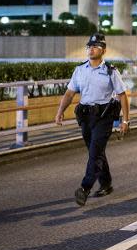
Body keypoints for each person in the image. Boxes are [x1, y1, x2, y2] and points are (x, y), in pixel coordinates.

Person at [55, 33, 130, 206]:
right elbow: (69, 93)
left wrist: (125, 121)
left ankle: (85, 188)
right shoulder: (80, 70)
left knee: (95, 152)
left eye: (95, 46)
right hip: (85, 116)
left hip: (104, 117)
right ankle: (106, 183)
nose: (91, 49)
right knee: (96, 152)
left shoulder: (111, 71)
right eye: (89, 46)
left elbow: (122, 96)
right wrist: (60, 111)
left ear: (103, 50)